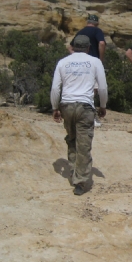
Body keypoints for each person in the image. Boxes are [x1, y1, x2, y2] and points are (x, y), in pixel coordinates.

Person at [51, 34, 107, 196]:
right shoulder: (95, 62)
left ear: (73, 47)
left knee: (72, 138)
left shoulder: (63, 62)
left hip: (66, 105)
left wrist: (55, 108)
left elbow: (55, 88)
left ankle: (73, 169)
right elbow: (102, 87)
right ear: (89, 48)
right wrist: (102, 105)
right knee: (83, 143)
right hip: (85, 106)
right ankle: (80, 181)